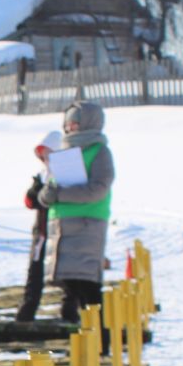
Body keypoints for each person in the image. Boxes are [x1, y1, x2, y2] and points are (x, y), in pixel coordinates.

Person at [39, 100, 116, 322]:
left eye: (75, 123)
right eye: (68, 123)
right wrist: (47, 195)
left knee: (87, 286)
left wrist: (61, 195)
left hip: (87, 223)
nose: (70, 128)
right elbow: (51, 186)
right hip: (62, 225)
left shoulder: (99, 152)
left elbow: (98, 189)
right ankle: (79, 335)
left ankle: (98, 341)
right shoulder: (64, 153)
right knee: (69, 284)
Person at [15, 131, 62, 321]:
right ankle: (27, 310)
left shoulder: (64, 175)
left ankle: (69, 309)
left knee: (63, 273)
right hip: (41, 232)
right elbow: (29, 202)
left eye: (50, 154)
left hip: (60, 230)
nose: (46, 159)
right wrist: (35, 191)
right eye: (44, 155)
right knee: (35, 271)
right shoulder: (42, 176)